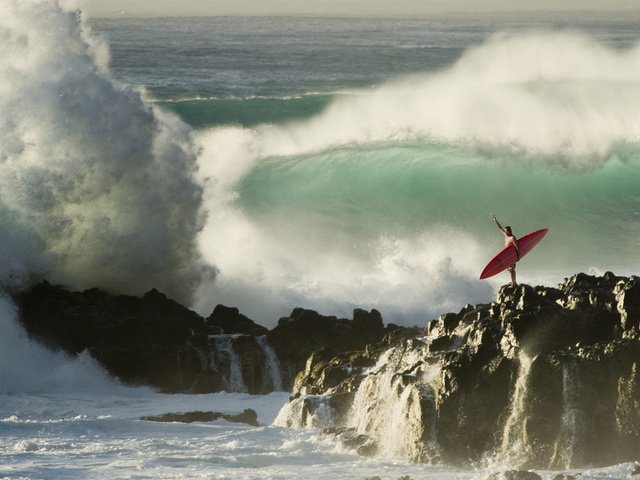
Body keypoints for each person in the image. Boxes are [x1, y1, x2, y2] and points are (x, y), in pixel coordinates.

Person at [493, 214, 520, 287]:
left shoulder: (512, 238)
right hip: (507, 255)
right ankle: (514, 282)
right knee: (510, 270)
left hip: (512, 255)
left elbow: (517, 247)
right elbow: (500, 228)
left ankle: (514, 283)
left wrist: (518, 257)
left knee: (512, 270)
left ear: (509, 231)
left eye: (505, 231)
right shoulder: (506, 235)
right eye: (504, 231)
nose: (504, 232)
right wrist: (495, 220)